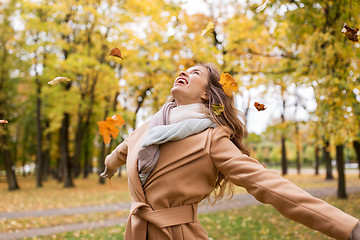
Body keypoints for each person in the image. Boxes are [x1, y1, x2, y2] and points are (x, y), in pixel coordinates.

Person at [101, 63, 360, 240]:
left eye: (195, 73)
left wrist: (349, 228)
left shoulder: (213, 139)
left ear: (206, 94)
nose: (184, 72)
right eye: (184, 70)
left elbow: (269, 186)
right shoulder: (148, 129)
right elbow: (121, 152)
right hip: (135, 232)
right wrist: (108, 167)